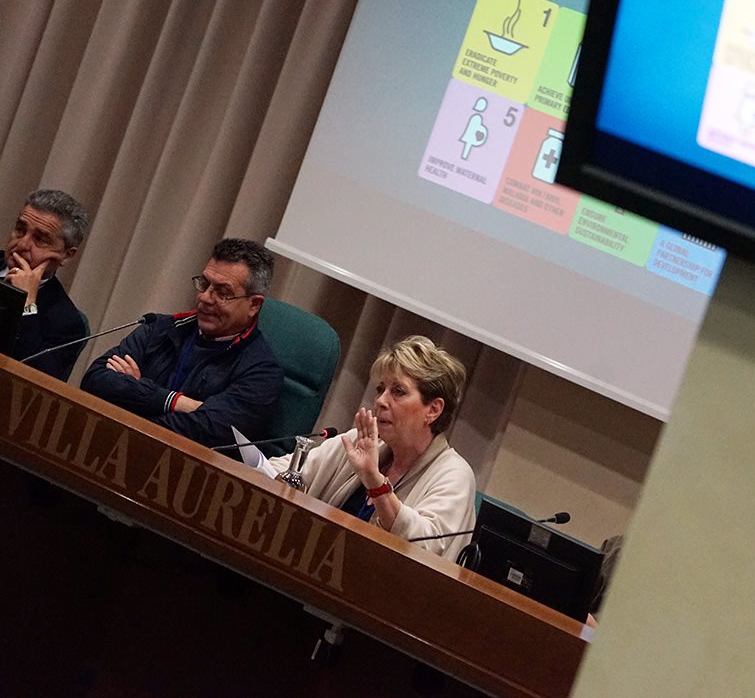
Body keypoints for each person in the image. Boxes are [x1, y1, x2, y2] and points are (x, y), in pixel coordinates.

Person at [268, 335, 477, 561]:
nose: (380, 401)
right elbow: (282, 469)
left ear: (433, 410)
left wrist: (374, 480)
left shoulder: (454, 475)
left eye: (398, 391)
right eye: (380, 389)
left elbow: (423, 547)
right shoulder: (362, 441)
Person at [81, 237, 282, 448]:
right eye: (204, 284)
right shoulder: (158, 328)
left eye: (223, 293)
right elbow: (95, 379)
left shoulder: (262, 373)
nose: (204, 298)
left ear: (254, 304)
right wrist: (176, 402)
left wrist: (135, 395)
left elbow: (208, 430)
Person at [2, 188, 91, 380]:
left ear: (67, 255)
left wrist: (27, 305)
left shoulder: (68, 324)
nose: (22, 244)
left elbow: (35, 383)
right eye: (20, 229)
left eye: (40, 239)